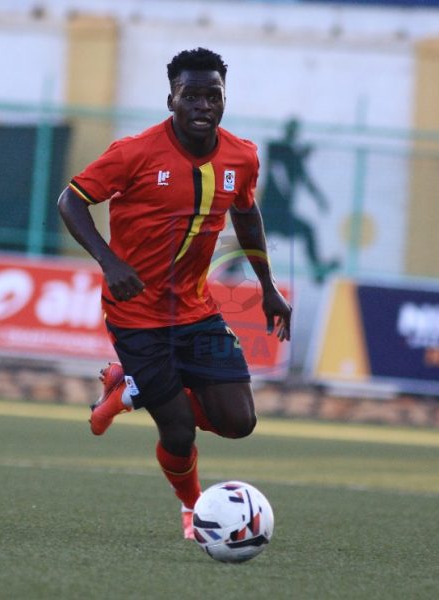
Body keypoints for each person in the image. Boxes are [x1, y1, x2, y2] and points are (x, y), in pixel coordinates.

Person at [57, 48, 292, 540]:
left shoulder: (242, 156)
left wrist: (267, 285)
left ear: (224, 99)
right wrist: (109, 261)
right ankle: (192, 509)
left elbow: (246, 214)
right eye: (191, 96)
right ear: (172, 100)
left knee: (240, 422)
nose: (203, 105)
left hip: (196, 311)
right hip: (136, 314)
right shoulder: (134, 152)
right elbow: (71, 200)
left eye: (213, 95)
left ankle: (131, 388)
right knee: (179, 430)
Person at [260, 117, 340, 283]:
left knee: (308, 231)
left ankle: (317, 269)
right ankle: (232, 267)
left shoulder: (294, 158)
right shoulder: (276, 148)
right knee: (252, 242)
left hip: (283, 214)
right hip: (269, 211)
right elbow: (278, 167)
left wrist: (320, 199)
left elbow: (306, 181)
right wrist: (299, 155)